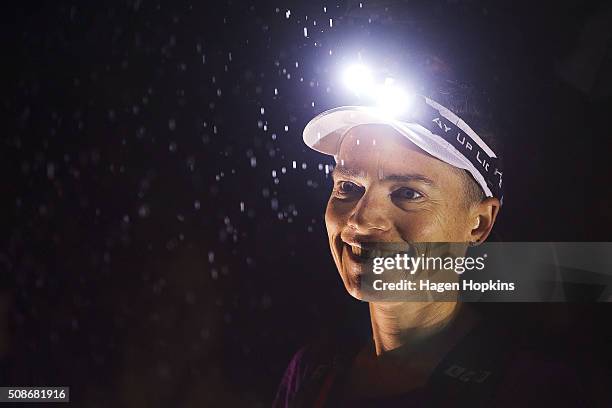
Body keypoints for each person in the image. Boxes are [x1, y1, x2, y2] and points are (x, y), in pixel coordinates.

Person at [272, 64, 600, 407]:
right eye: (349, 187)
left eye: (408, 193)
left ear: (479, 223)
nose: (361, 218)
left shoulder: (529, 390)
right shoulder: (313, 370)